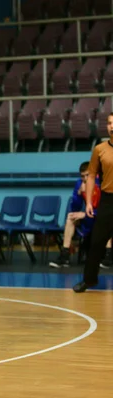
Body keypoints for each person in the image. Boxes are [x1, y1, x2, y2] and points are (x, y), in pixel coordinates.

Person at [74, 113, 113, 293]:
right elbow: (90, 176)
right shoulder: (99, 149)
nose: (112, 126)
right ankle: (89, 280)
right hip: (107, 200)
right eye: (110, 123)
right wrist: (89, 202)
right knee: (97, 242)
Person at [50, 161, 112, 269]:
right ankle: (65, 256)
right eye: (82, 176)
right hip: (90, 219)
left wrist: (85, 215)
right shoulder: (79, 184)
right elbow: (75, 208)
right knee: (70, 217)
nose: (85, 179)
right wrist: (79, 194)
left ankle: (108, 257)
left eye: (87, 175)